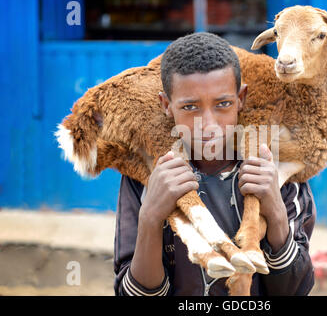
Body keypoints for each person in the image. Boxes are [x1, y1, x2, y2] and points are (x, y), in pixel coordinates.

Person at [113, 32, 316, 296]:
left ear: (240, 99)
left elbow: (296, 289)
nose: (208, 124)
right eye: (190, 107)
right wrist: (151, 217)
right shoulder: (147, 175)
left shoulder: (276, 171)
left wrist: (275, 210)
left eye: (223, 104)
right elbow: (131, 293)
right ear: (166, 105)